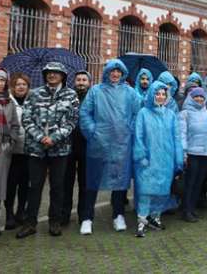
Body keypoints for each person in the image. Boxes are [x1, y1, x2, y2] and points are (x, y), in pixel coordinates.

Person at [79, 60, 141, 235]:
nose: (115, 74)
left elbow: (138, 113)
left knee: (120, 181)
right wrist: (93, 132)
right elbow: (85, 113)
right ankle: (87, 217)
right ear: (106, 72)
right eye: (112, 71)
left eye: (118, 71)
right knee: (92, 180)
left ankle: (118, 214)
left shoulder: (130, 93)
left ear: (123, 73)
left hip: (122, 144)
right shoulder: (96, 91)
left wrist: (130, 130)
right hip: (99, 142)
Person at [17, 63, 78, 239]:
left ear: (63, 76)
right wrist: (40, 137)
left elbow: (72, 121)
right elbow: (26, 119)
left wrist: (54, 137)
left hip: (59, 150)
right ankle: (30, 223)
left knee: (58, 187)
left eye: (55, 73)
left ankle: (54, 221)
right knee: (34, 186)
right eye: (49, 73)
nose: (52, 76)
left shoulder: (70, 95)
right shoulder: (34, 94)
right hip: (36, 149)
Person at [133, 81, 183, 237]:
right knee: (146, 191)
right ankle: (141, 221)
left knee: (162, 191)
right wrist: (141, 156)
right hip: (148, 160)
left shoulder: (171, 115)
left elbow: (176, 138)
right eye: (157, 93)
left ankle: (155, 217)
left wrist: (178, 159)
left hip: (166, 160)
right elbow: (138, 136)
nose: (160, 97)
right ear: (152, 95)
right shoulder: (143, 113)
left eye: (163, 94)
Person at [179, 87, 207, 223]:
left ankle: (192, 209)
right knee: (190, 182)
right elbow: (182, 135)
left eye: (201, 97)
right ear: (191, 97)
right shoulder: (185, 114)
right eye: (196, 96)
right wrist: (184, 152)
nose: (199, 99)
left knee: (199, 183)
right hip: (192, 154)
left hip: (205, 154)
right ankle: (186, 210)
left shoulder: (206, 112)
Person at [0, 68, 20, 236]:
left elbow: (15, 125)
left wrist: (11, 142)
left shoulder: (9, 102)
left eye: (2, 80)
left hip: (1, 151)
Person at [61, 70, 91, 227]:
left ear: (89, 82)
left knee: (84, 182)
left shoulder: (93, 98)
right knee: (67, 181)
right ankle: (64, 214)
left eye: (84, 80)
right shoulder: (68, 97)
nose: (81, 82)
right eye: (78, 79)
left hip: (86, 144)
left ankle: (83, 215)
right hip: (69, 143)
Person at [4, 72, 30, 231]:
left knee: (25, 184)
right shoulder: (6, 102)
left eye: (24, 84)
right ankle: (9, 214)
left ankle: (21, 212)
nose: (21, 87)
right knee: (10, 185)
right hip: (10, 152)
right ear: (12, 87)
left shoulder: (33, 101)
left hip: (28, 150)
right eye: (18, 84)